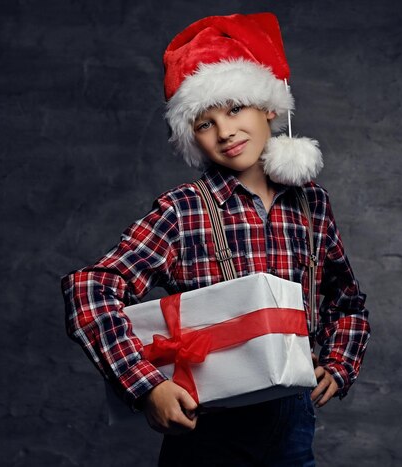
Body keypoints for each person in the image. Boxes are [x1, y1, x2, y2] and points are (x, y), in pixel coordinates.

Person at [61, 12, 370, 466]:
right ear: (192, 138)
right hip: (208, 428)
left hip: (292, 424)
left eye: (234, 108)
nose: (224, 131)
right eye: (204, 124)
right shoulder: (183, 210)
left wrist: (340, 365)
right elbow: (89, 289)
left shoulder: (312, 205)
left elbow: (347, 303)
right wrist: (147, 383)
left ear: (268, 107)